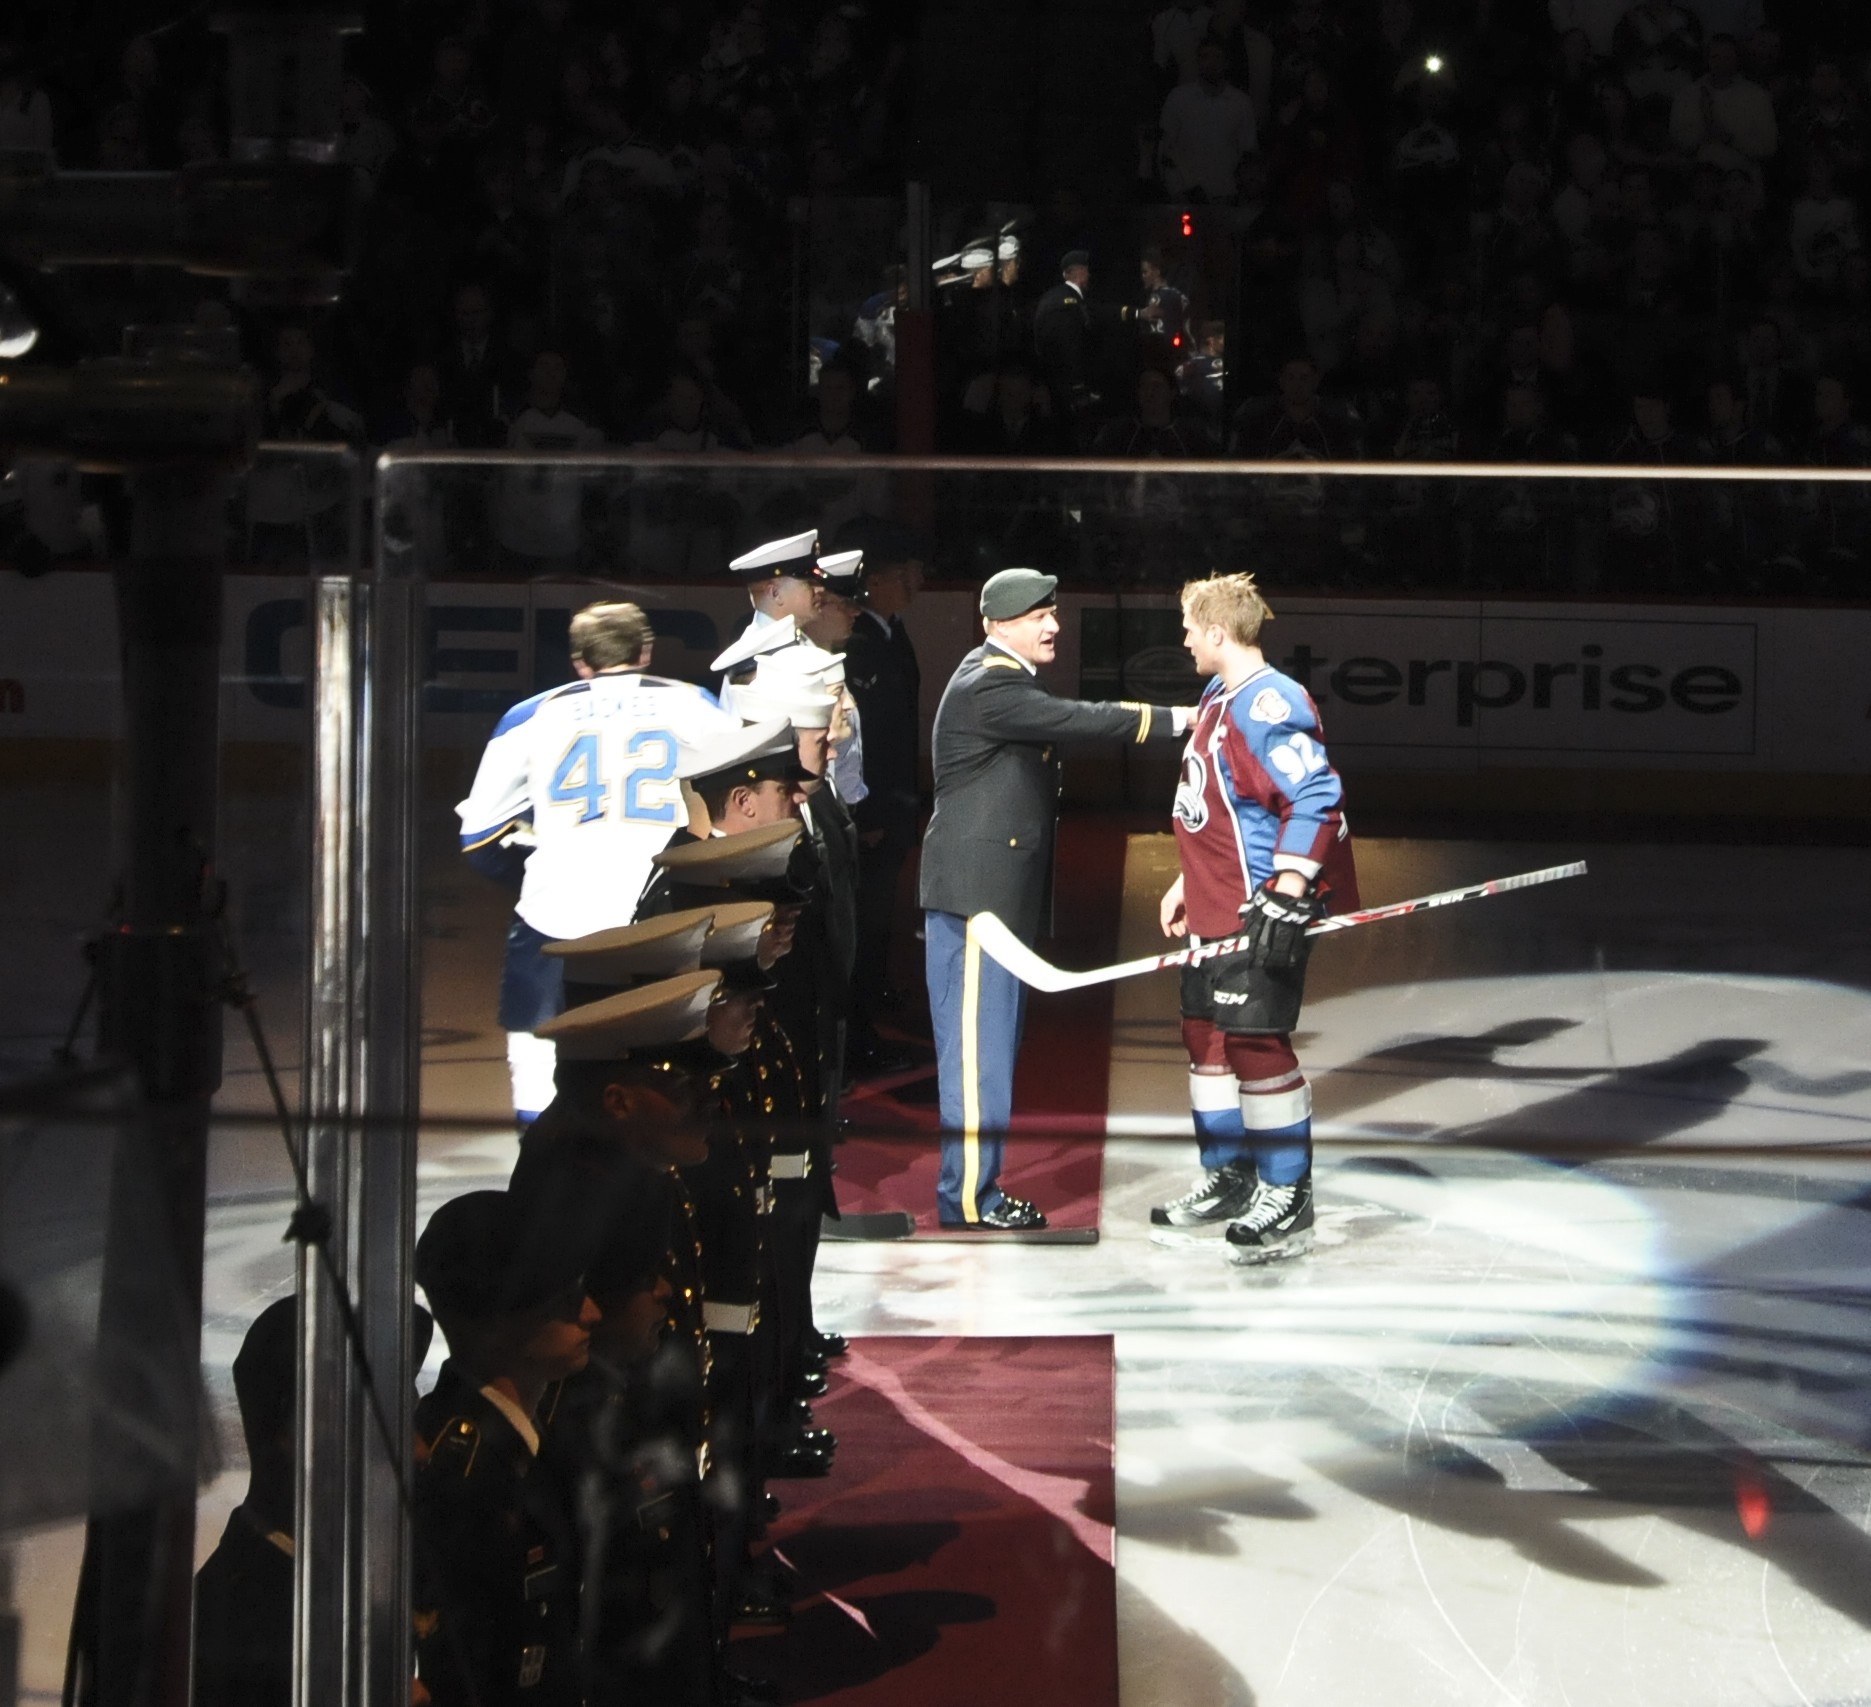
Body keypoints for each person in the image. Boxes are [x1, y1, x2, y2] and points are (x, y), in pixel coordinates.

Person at [920, 569, 1190, 1230]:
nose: (1053, 625)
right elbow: (1076, 719)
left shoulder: (997, 678)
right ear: (997, 622)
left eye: (1052, 612)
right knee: (978, 1057)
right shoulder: (990, 684)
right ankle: (967, 1200)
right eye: (1036, 614)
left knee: (991, 1055)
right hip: (977, 901)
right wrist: (1180, 718)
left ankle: (976, 1189)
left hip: (993, 902)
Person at [456, 599, 735, 1122]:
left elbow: (477, 837)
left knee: (538, 1061)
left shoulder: (528, 716)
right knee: (663, 1065)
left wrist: (536, 873)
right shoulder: (696, 704)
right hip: (661, 915)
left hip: (555, 918)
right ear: (646, 652)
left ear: (579, 662)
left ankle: (539, 1172)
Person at [1153, 573, 1359, 1264]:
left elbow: (1316, 792)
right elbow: (1220, 804)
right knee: (1203, 1037)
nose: (1182, 638)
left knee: (1253, 1044)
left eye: (1188, 626)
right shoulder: (1218, 695)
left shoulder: (1268, 701)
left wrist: (1291, 882)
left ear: (1216, 632)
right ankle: (1230, 1176)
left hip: (1255, 908)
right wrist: (1187, 879)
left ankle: (1286, 1193)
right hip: (1210, 906)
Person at [412, 1189, 599, 1707]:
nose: (592, 1313)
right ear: (498, 1325)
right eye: (564, 1303)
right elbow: (461, 1670)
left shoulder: (530, 1435)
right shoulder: (464, 1475)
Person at [1033, 250, 1095, 416]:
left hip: (1053, 383)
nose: (1089, 275)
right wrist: (1078, 386)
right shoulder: (1067, 303)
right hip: (1064, 388)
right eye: (1087, 270)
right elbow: (1070, 346)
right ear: (1080, 272)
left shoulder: (1055, 296)